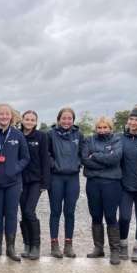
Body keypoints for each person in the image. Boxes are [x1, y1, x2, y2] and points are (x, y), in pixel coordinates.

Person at [0, 104, 29, 261]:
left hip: (13, 182)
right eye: (1, 114)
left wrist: (15, 169)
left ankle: (10, 248)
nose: (4, 116)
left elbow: (25, 157)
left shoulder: (18, 135)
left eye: (7, 114)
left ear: (12, 116)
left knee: (11, 214)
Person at [81, 116, 123, 265]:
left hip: (111, 183)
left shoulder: (116, 140)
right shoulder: (89, 140)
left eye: (105, 127)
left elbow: (115, 158)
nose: (102, 130)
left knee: (111, 216)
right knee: (96, 215)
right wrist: (105, 162)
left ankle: (114, 250)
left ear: (110, 128)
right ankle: (98, 247)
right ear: (96, 128)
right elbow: (85, 159)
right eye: (99, 127)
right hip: (93, 183)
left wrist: (96, 157)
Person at [47, 108, 84, 258]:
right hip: (56, 177)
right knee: (55, 212)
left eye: (69, 118)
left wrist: (77, 163)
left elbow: (83, 152)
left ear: (73, 120)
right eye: (64, 118)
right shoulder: (50, 134)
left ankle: (68, 244)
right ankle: (54, 244)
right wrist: (54, 164)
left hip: (73, 178)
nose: (66, 121)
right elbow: (46, 153)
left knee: (69, 212)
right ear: (58, 119)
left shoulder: (79, 134)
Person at [116, 105, 137, 262]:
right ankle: (122, 244)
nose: (133, 122)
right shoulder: (118, 138)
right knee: (124, 217)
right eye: (131, 119)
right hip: (124, 185)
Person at [19, 110, 50, 260]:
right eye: (27, 119)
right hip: (19, 179)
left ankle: (36, 245)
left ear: (36, 122)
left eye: (32, 120)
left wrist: (45, 181)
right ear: (22, 120)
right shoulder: (16, 135)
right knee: (23, 212)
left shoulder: (41, 136)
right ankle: (27, 245)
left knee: (30, 212)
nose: (29, 122)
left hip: (35, 179)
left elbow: (45, 159)